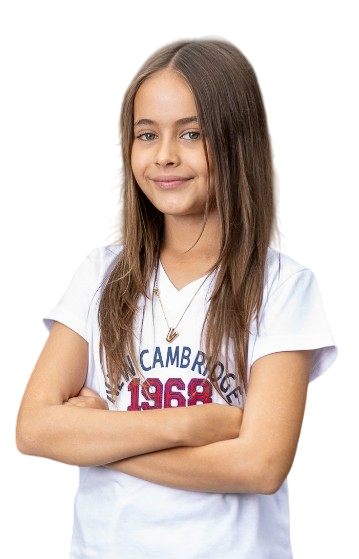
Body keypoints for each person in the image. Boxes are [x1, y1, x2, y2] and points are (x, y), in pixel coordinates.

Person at [15, 35, 338, 558]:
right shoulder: (101, 272)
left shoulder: (283, 285)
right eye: (147, 135)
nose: (165, 156)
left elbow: (259, 466)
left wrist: (98, 438)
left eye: (191, 133)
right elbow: (32, 430)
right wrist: (188, 424)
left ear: (237, 141)